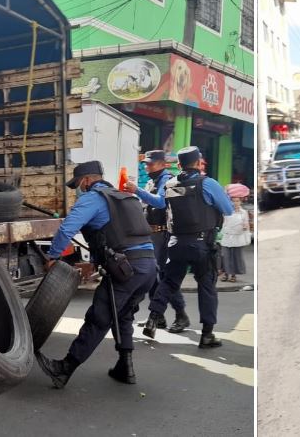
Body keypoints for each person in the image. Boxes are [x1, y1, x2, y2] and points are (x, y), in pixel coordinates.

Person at [35, 161, 157, 388]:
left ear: (87, 181)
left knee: (99, 318)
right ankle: (125, 367)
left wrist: (53, 257)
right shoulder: (125, 197)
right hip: (148, 267)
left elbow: (66, 228)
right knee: (123, 315)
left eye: (78, 184)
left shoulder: (93, 198)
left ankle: (64, 369)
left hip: (126, 269)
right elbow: (113, 235)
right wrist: (94, 263)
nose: (78, 190)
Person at [143, 147, 234, 347]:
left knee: (168, 282)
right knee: (207, 287)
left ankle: (152, 319)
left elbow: (160, 206)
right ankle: (207, 335)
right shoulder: (208, 184)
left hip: (175, 243)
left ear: (178, 165)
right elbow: (228, 210)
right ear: (199, 163)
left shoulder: (169, 184)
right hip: (202, 244)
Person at [124, 150, 188, 332]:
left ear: (162, 164)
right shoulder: (153, 180)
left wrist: (137, 190)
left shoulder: (167, 181)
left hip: (162, 235)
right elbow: (147, 203)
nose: (147, 166)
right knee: (153, 277)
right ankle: (158, 317)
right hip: (151, 234)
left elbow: (160, 202)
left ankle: (181, 315)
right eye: (145, 163)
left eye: (150, 163)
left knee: (164, 277)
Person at [219, 195, 250, 283]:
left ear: (240, 202)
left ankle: (233, 275)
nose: (235, 203)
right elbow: (223, 223)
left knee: (236, 257)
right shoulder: (226, 211)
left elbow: (246, 223)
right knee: (225, 256)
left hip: (238, 237)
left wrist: (245, 226)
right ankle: (225, 274)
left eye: (237, 201)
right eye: (233, 201)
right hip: (227, 236)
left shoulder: (243, 212)